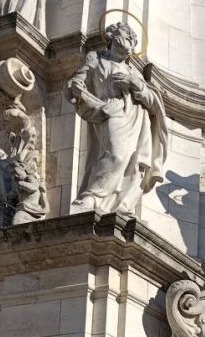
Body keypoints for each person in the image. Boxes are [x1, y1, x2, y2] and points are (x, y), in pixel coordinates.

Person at [67, 22, 168, 215]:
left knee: (133, 161)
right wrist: (75, 88)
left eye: (133, 40)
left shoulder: (133, 72)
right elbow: (77, 80)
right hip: (108, 111)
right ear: (112, 36)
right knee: (116, 154)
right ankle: (91, 196)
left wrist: (135, 84)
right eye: (126, 36)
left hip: (136, 117)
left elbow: (151, 100)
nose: (130, 41)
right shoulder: (95, 58)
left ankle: (120, 203)